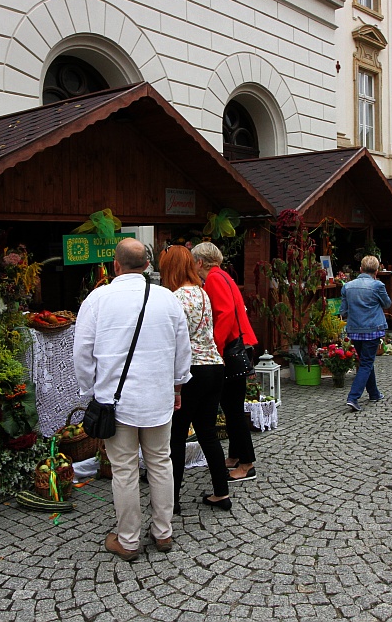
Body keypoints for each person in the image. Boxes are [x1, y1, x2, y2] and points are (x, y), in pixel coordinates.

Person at [73, 238, 192, 561]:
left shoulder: (98, 299)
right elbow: (184, 351)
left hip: (116, 401)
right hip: (158, 396)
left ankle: (128, 540)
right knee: (160, 462)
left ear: (116, 265)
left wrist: (91, 391)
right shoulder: (168, 299)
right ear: (148, 266)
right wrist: (178, 386)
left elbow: (82, 351)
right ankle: (163, 532)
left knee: (124, 470)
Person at [159, 245, 231, 513]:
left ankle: (172, 501)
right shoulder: (202, 292)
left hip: (190, 371)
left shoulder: (175, 298)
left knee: (176, 437)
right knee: (208, 433)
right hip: (214, 365)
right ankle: (221, 493)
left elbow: (174, 341)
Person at [191, 242, 258, 482]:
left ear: (199, 262)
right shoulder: (224, 276)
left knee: (233, 410)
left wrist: (215, 349)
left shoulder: (214, 279)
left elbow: (226, 314)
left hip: (230, 349)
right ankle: (235, 456)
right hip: (239, 345)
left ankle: (247, 463)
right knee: (232, 408)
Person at [339, 255, 391, 412]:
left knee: (365, 362)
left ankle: (374, 393)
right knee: (366, 363)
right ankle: (353, 397)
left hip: (355, 329)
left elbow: (343, 310)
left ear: (360, 269)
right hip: (372, 329)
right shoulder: (378, 286)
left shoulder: (347, 286)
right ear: (376, 271)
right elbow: (387, 303)